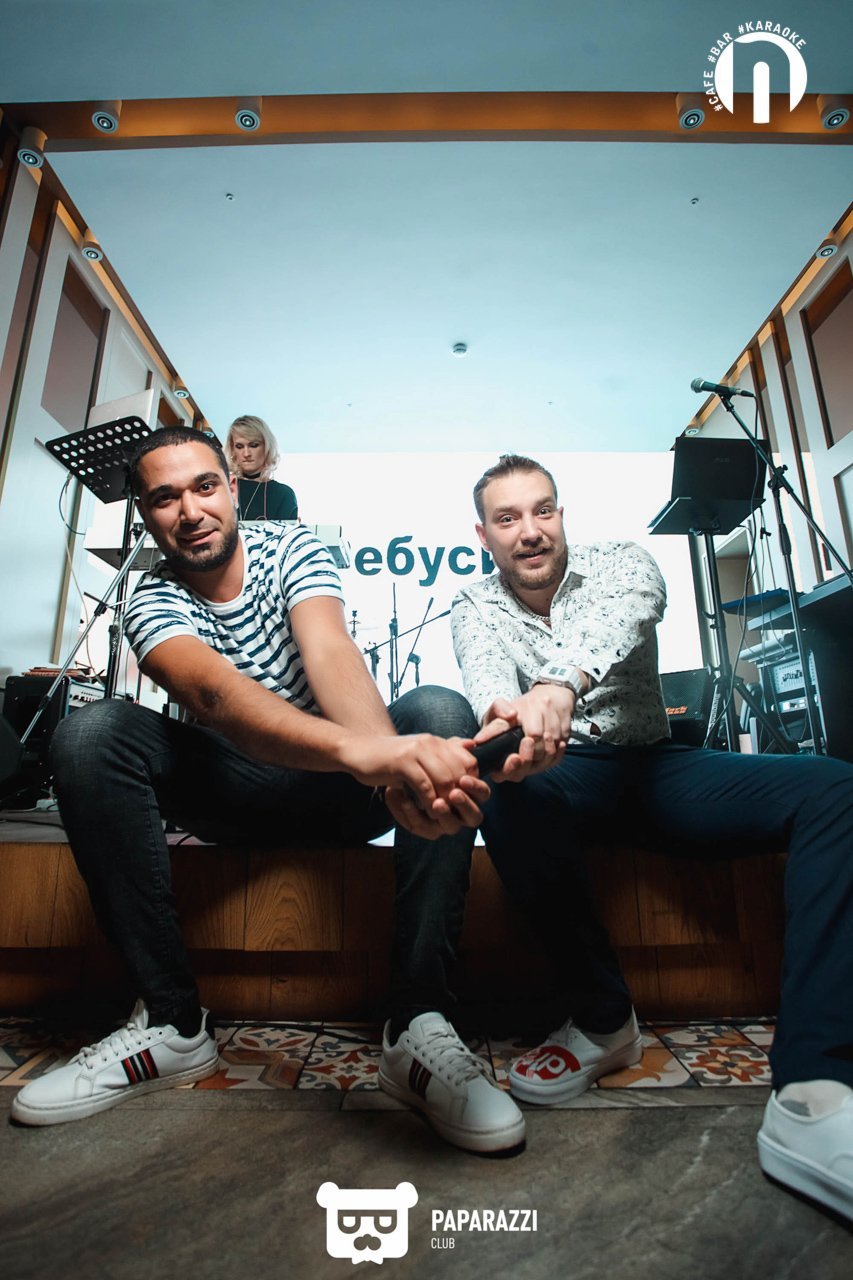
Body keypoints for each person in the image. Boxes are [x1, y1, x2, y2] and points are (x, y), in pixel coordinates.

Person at [10, 427, 524, 1155]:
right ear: (146, 515)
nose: (191, 511)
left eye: (204, 487)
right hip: (234, 789)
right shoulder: (148, 601)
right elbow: (216, 697)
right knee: (90, 734)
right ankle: (171, 1025)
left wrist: (383, 763)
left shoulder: (291, 546)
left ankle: (418, 1024)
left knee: (439, 708)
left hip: (341, 790)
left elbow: (328, 649)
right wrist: (372, 756)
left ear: (232, 488)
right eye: (165, 498)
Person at [451, 452, 853, 1222]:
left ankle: (815, 1081)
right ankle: (603, 1022)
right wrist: (510, 728)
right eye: (507, 518)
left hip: (655, 769)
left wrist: (558, 685)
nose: (529, 531)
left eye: (542, 510)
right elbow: (488, 687)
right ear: (484, 534)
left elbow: (623, 617)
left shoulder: (621, 563)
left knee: (836, 789)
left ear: (560, 514)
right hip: (560, 778)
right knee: (505, 789)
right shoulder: (472, 603)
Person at [225, 414, 298, 520]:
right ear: (232, 449)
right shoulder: (224, 489)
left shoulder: (283, 494)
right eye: (239, 447)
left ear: (267, 446)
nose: (246, 454)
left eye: (253, 445)